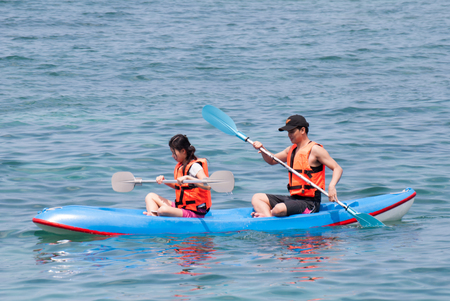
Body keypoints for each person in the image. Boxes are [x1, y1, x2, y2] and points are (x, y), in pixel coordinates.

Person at [251, 115, 343, 218]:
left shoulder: (315, 150)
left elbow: (337, 168)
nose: (289, 135)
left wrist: (332, 186)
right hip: (294, 199)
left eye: (292, 132)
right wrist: (262, 149)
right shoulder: (291, 150)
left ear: (302, 130)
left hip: (310, 203)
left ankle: (269, 216)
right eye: (288, 132)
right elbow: (272, 160)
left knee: (278, 209)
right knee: (257, 198)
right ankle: (268, 219)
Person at [143, 134, 211, 218]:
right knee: (150, 196)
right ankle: (153, 215)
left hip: (194, 212)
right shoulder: (180, 166)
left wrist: (188, 178)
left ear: (183, 151)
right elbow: (179, 187)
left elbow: (208, 185)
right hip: (182, 207)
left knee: (163, 209)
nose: (172, 156)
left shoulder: (195, 166)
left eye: (174, 152)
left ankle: (155, 214)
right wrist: (164, 181)